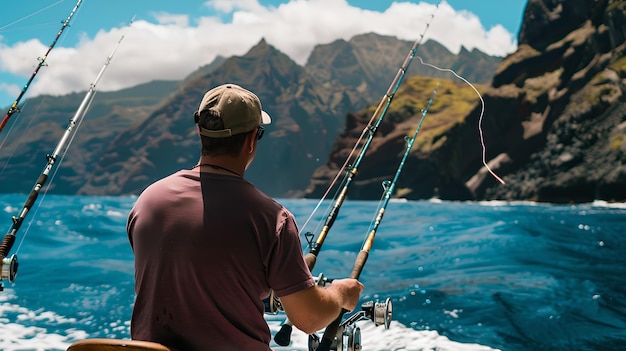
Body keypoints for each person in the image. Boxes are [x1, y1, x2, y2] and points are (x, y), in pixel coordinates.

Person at [127, 83, 364, 351]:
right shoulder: (272, 219)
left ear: (200, 132)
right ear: (252, 139)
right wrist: (341, 293)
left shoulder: (148, 201)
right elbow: (309, 319)